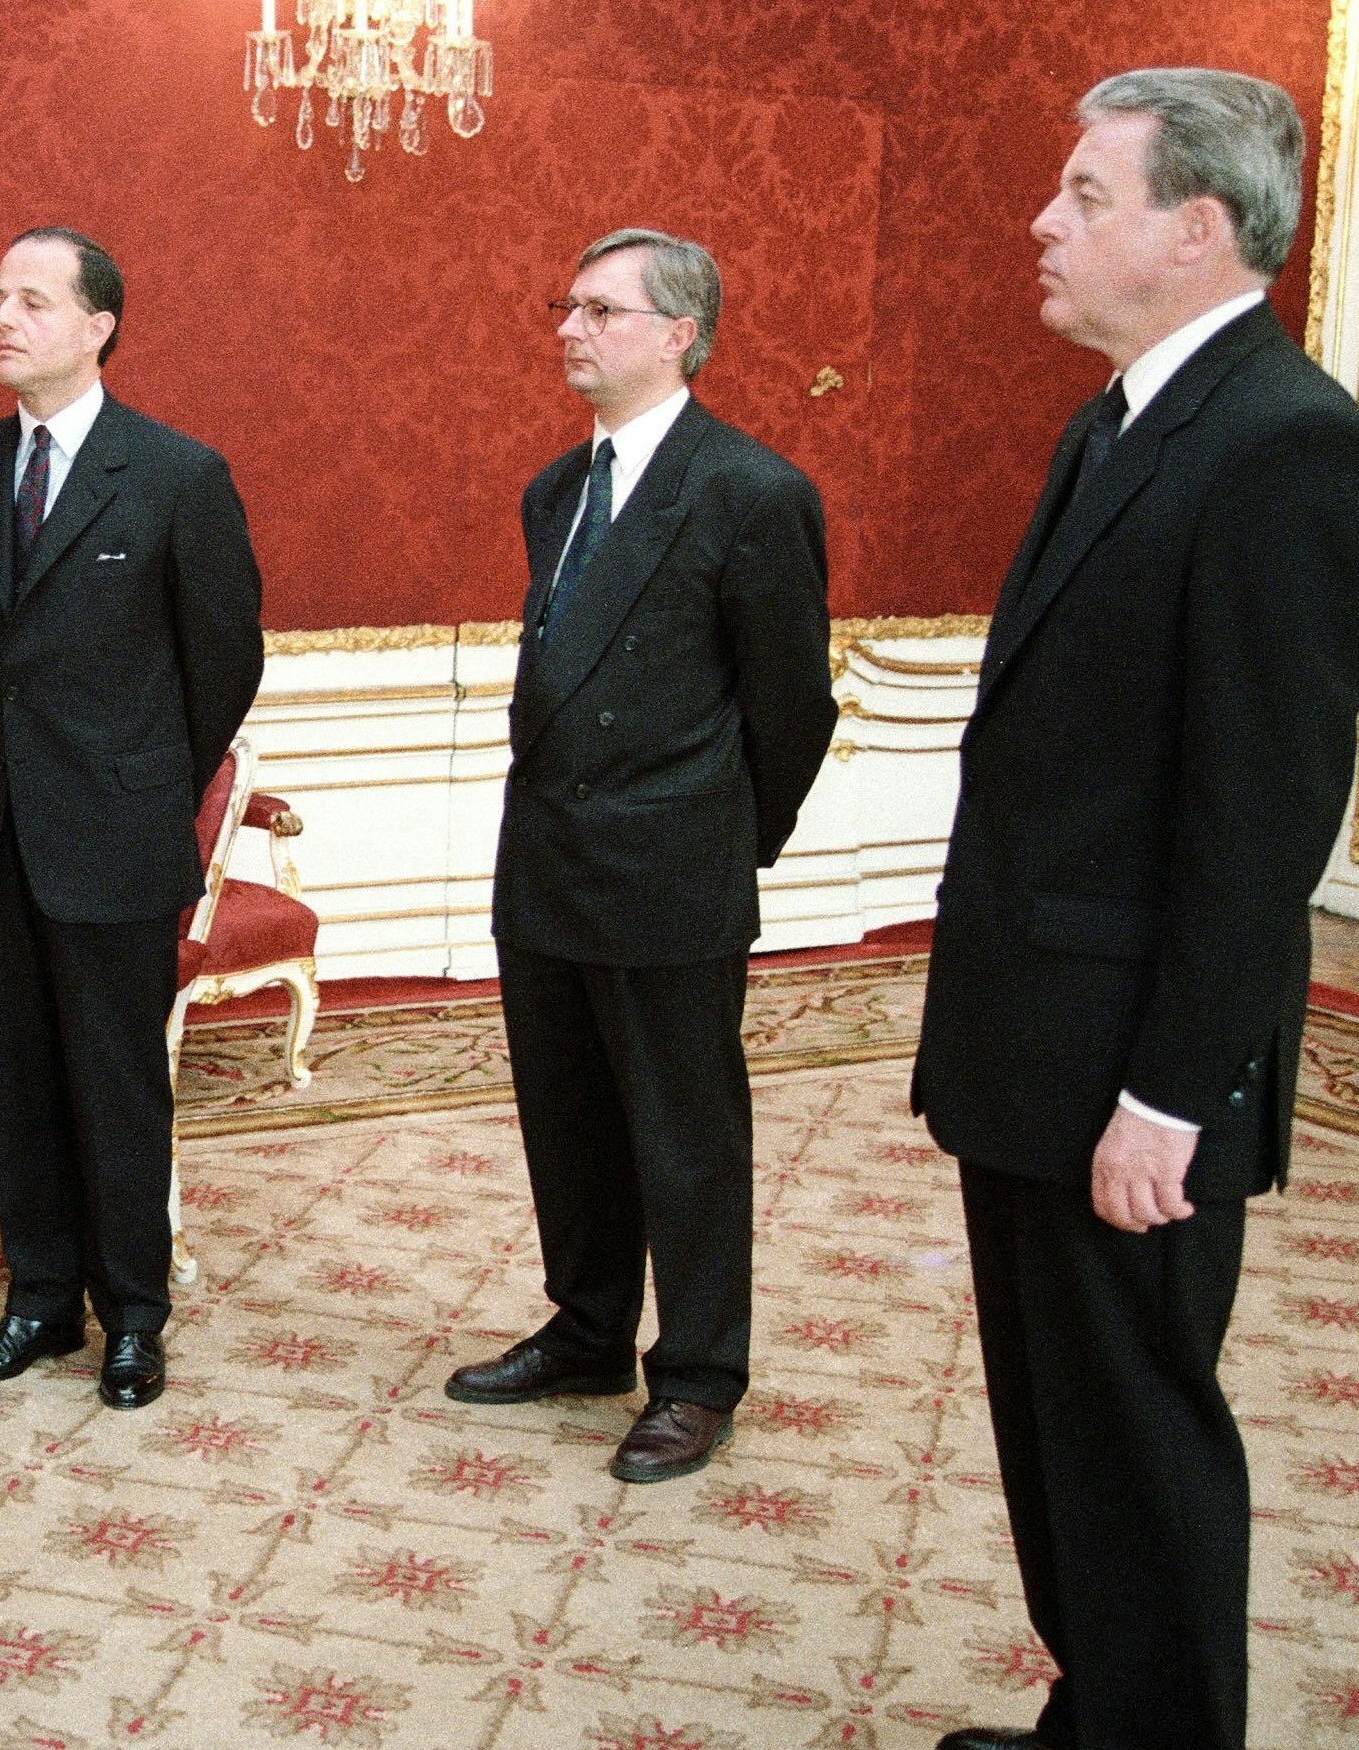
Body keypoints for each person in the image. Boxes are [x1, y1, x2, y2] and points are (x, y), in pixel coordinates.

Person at [913, 70, 1359, 1750]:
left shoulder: (1286, 443)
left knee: (1136, 1430)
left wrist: (1172, 1093)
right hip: (1032, 1041)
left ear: (1195, 229)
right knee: (1061, 1428)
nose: (1044, 224)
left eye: (1082, 195)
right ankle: (1098, 1713)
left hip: (1133, 1071)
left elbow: (1261, 822)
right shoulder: (1119, 414)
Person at [442, 229, 835, 1483]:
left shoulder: (751, 492)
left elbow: (793, 709)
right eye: (568, 304)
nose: (569, 326)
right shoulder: (556, 490)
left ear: (679, 333)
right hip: (547, 858)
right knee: (568, 1119)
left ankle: (702, 1371)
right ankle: (589, 1327)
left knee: (686, 1135)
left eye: (602, 310)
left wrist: (724, 840)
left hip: (671, 868)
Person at [0, 226, 265, 1410]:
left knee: (118, 1080)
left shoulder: (177, 473)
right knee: (17, 1074)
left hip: (114, 834)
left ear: (97, 325)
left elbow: (223, 663)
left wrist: (143, 788)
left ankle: (133, 1315)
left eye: (32, 300)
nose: (3, 319)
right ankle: (38, 1300)